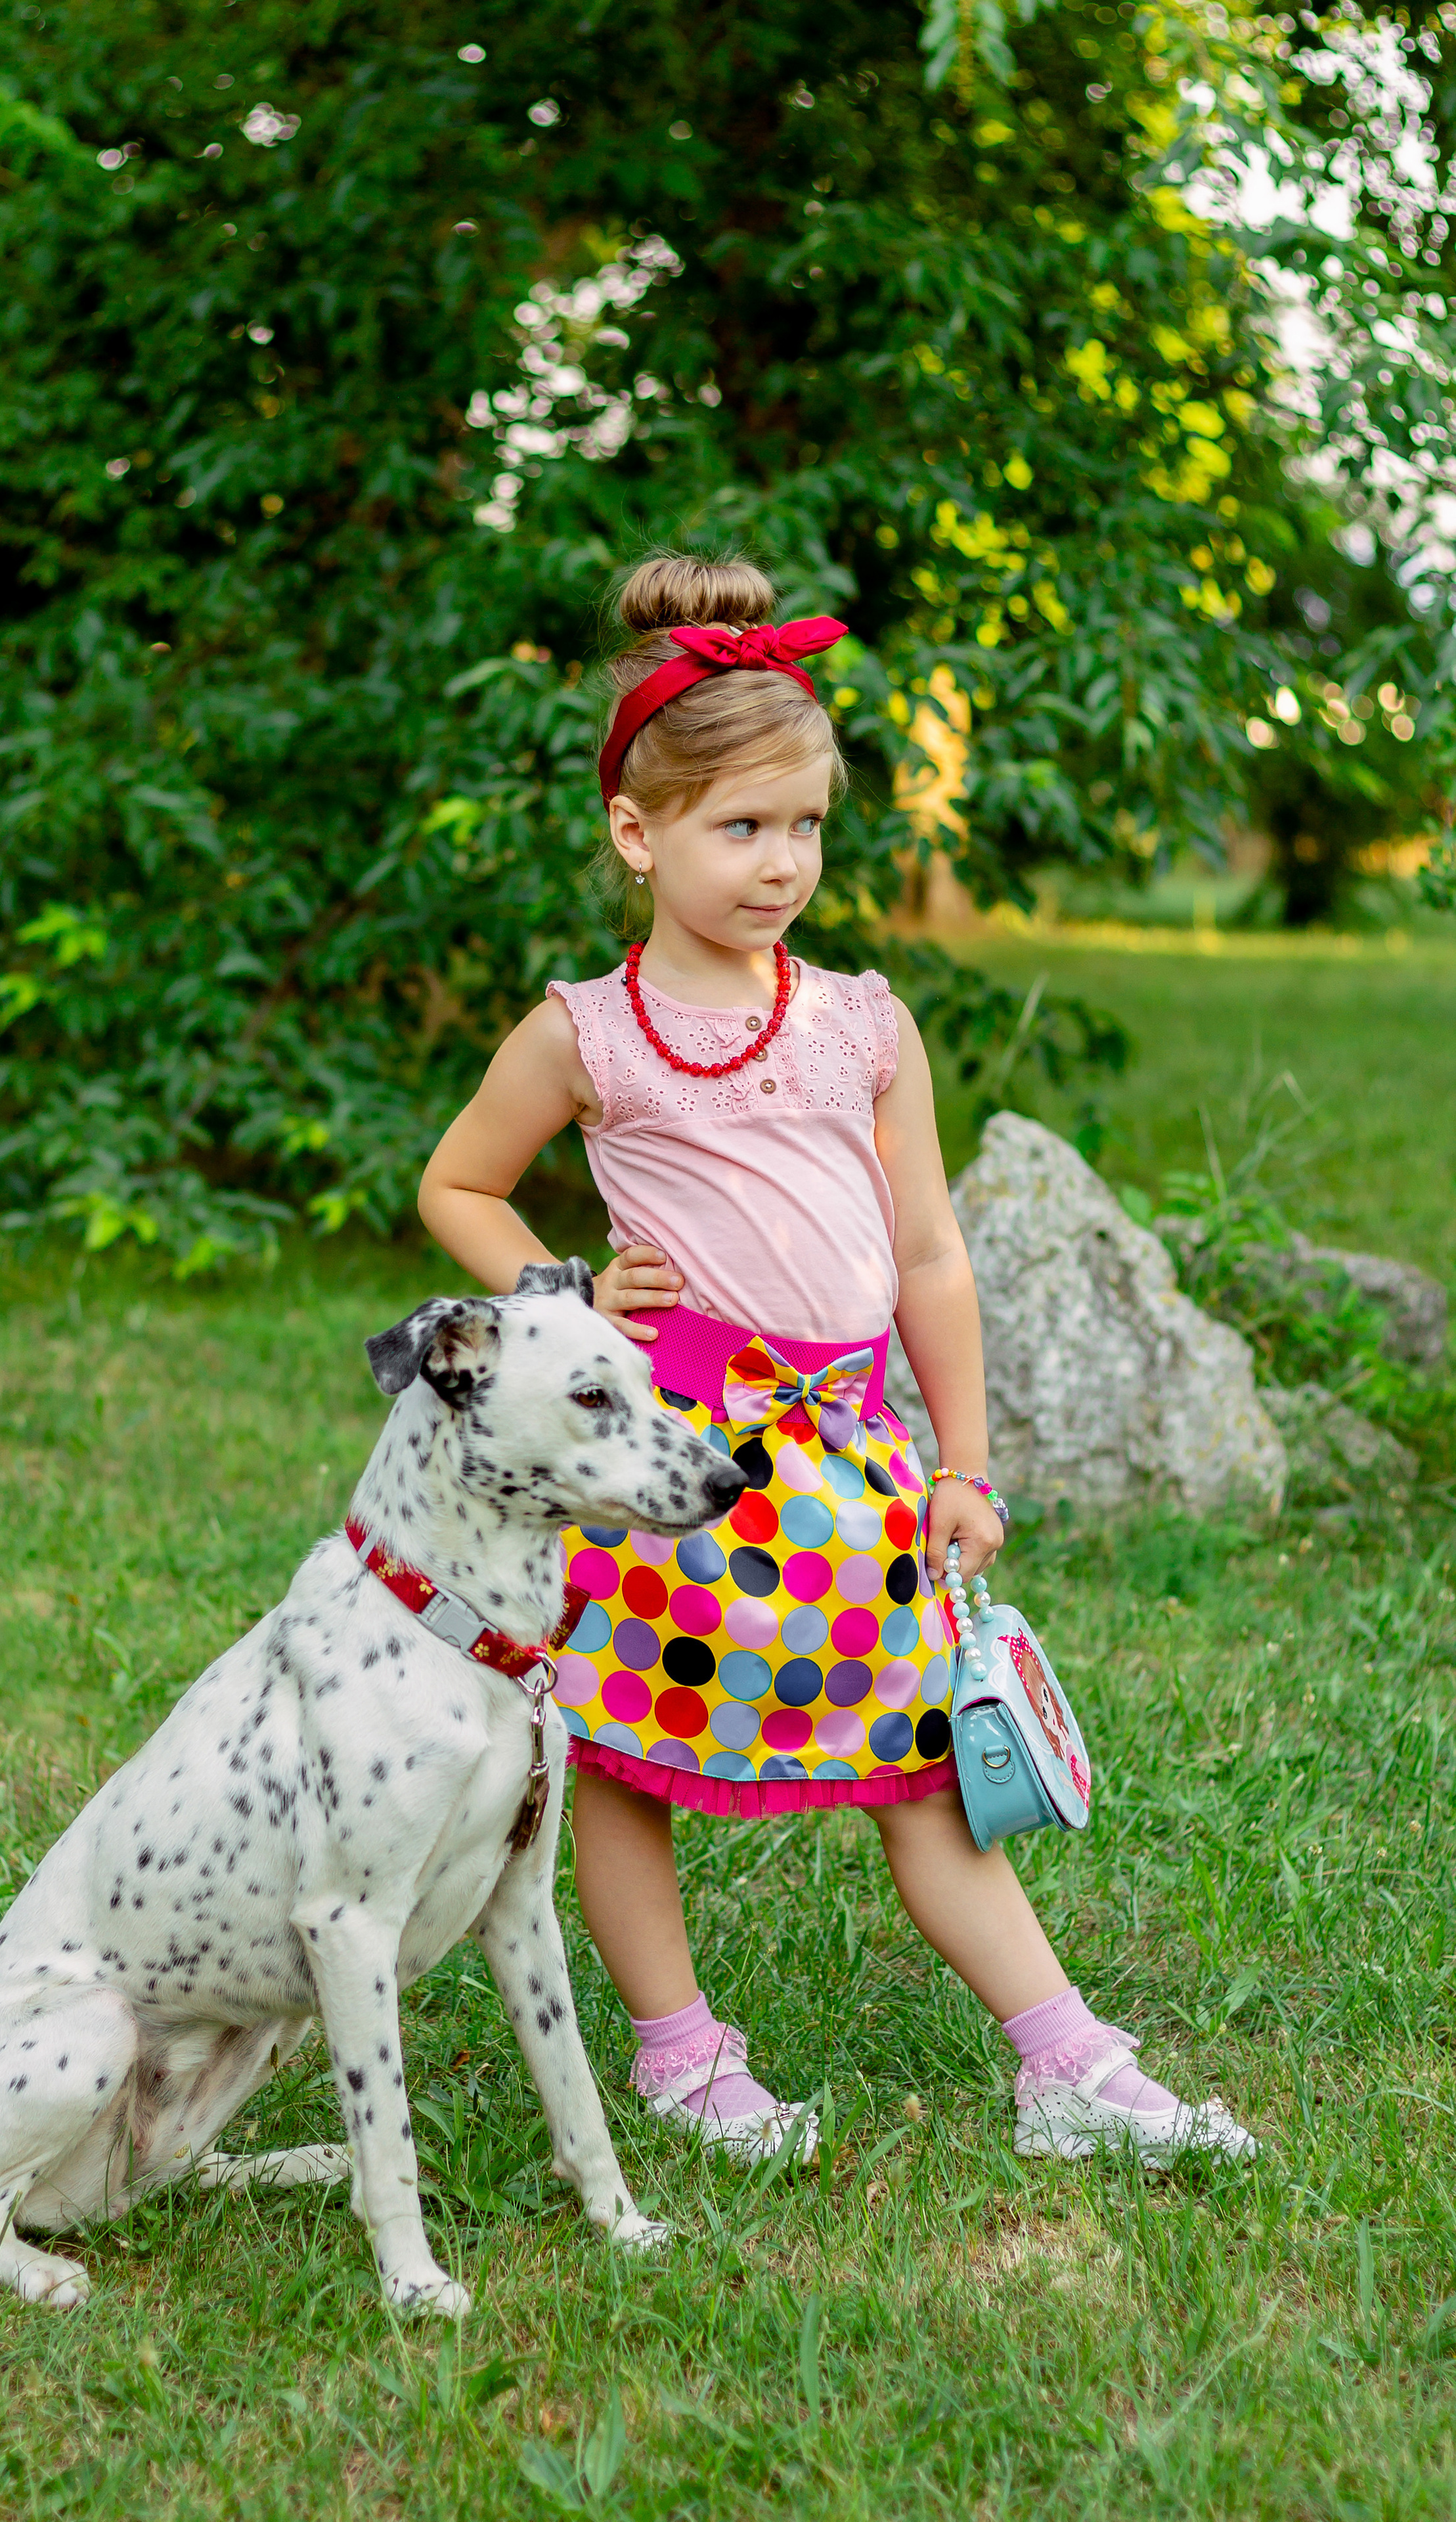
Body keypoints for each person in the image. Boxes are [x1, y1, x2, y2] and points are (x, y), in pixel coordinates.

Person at [418, 551, 1255, 2171]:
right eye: (741, 827)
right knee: (624, 1756)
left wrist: (962, 1460)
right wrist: (565, 1285)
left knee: (924, 1762)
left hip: (848, 1464)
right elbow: (454, 1182)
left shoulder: (861, 1021)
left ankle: (1065, 2059)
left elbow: (929, 1255)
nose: (781, 862)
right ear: (635, 833)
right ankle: (678, 2054)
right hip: (669, 1468)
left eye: (804, 825)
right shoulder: (584, 1032)